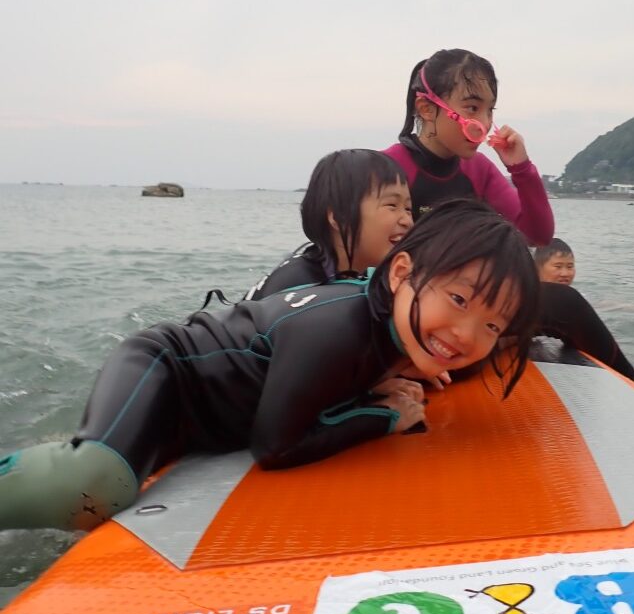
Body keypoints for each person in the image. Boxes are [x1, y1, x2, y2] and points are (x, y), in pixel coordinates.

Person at [0, 200, 540, 532]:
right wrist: (383, 418)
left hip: (203, 421)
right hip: (169, 374)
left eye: (493, 325)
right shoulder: (338, 328)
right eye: (459, 300)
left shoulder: (401, 329)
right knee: (95, 485)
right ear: (401, 273)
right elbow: (276, 447)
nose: (466, 334)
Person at [383, 49, 554, 244]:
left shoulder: (479, 170)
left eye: (490, 110)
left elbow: (538, 236)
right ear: (426, 109)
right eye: (472, 108)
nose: (485, 123)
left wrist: (522, 169)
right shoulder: (387, 168)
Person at [244, 149, 413, 301]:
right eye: (392, 205)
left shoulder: (381, 277)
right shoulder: (295, 289)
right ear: (340, 217)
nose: (407, 221)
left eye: (408, 208)